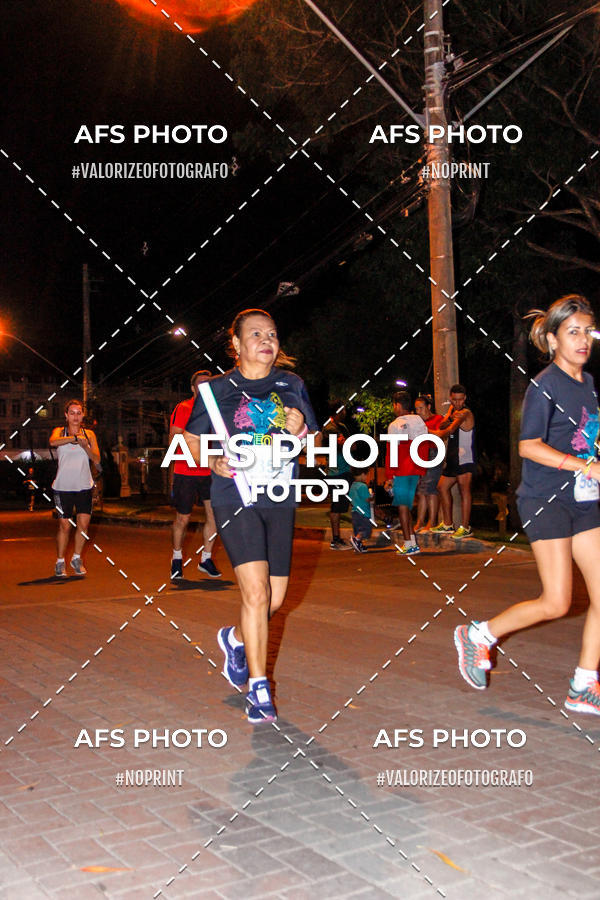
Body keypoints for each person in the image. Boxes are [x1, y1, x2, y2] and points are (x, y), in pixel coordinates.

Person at [455, 294, 600, 715]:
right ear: (553, 340)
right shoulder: (544, 385)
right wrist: (582, 466)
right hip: (545, 498)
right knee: (556, 600)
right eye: (573, 332)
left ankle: (583, 685)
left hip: (584, 500)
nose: (583, 340)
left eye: (588, 331)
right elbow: (528, 445)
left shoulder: (588, 385)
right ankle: (479, 635)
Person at [183, 309, 318, 724]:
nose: (266, 340)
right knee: (256, 595)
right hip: (234, 495)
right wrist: (214, 461)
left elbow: (311, 446)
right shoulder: (215, 391)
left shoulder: (292, 385)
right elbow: (188, 443)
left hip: (279, 495)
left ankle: (235, 638)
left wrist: (301, 431)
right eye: (256, 334)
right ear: (237, 345)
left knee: (274, 600)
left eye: (273, 334)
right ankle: (259, 689)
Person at [169, 370, 221, 581]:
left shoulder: (216, 410)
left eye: (208, 384)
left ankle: (206, 559)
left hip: (210, 471)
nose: (204, 387)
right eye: (200, 384)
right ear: (193, 388)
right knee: (183, 518)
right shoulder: (184, 408)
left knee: (214, 516)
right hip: (186, 470)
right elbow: (174, 437)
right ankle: (177, 558)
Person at [50, 399, 100, 577]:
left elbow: (97, 460)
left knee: (83, 525)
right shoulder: (59, 432)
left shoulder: (90, 435)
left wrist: (85, 446)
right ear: (66, 415)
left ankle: (76, 558)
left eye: (79, 413)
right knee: (64, 525)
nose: (76, 416)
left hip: (84, 486)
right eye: (72, 413)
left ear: (83, 415)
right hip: (62, 487)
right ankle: (60, 561)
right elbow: (53, 442)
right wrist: (74, 438)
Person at [384, 391, 427, 555]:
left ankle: (408, 543)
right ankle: (412, 541)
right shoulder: (419, 421)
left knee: (402, 507)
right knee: (407, 506)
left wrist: (389, 476)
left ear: (397, 405)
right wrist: (422, 469)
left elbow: (391, 451)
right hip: (415, 469)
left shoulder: (395, 424)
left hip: (401, 470)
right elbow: (425, 445)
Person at [433, 384, 476, 539]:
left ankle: (465, 527)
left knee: (465, 491)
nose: (457, 403)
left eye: (460, 400)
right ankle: (448, 524)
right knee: (441, 487)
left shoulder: (465, 412)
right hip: (453, 458)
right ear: (451, 398)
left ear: (464, 398)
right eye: (454, 400)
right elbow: (443, 424)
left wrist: (429, 432)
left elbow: (449, 429)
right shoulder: (453, 411)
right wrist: (449, 417)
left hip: (464, 458)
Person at [321, 407, 353, 550]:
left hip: (346, 470)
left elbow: (352, 446)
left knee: (359, 496)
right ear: (336, 411)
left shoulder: (342, 427)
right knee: (336, 507)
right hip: (336, 473)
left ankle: (386, 518)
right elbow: (347, 444)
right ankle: (335, 540)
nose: (345, 413)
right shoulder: (329, 428)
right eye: (342, 410)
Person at [348, 468, 373, 553]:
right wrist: (371, 497)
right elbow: (367, 499)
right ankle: (356, 539)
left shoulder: (353, 485)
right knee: (366, 529)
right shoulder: (363, 486)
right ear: (363, 474)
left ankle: (359, 545)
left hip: (354, 512)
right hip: (363, 512)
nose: (366, 477)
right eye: (366, 475)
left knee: (358, 529)